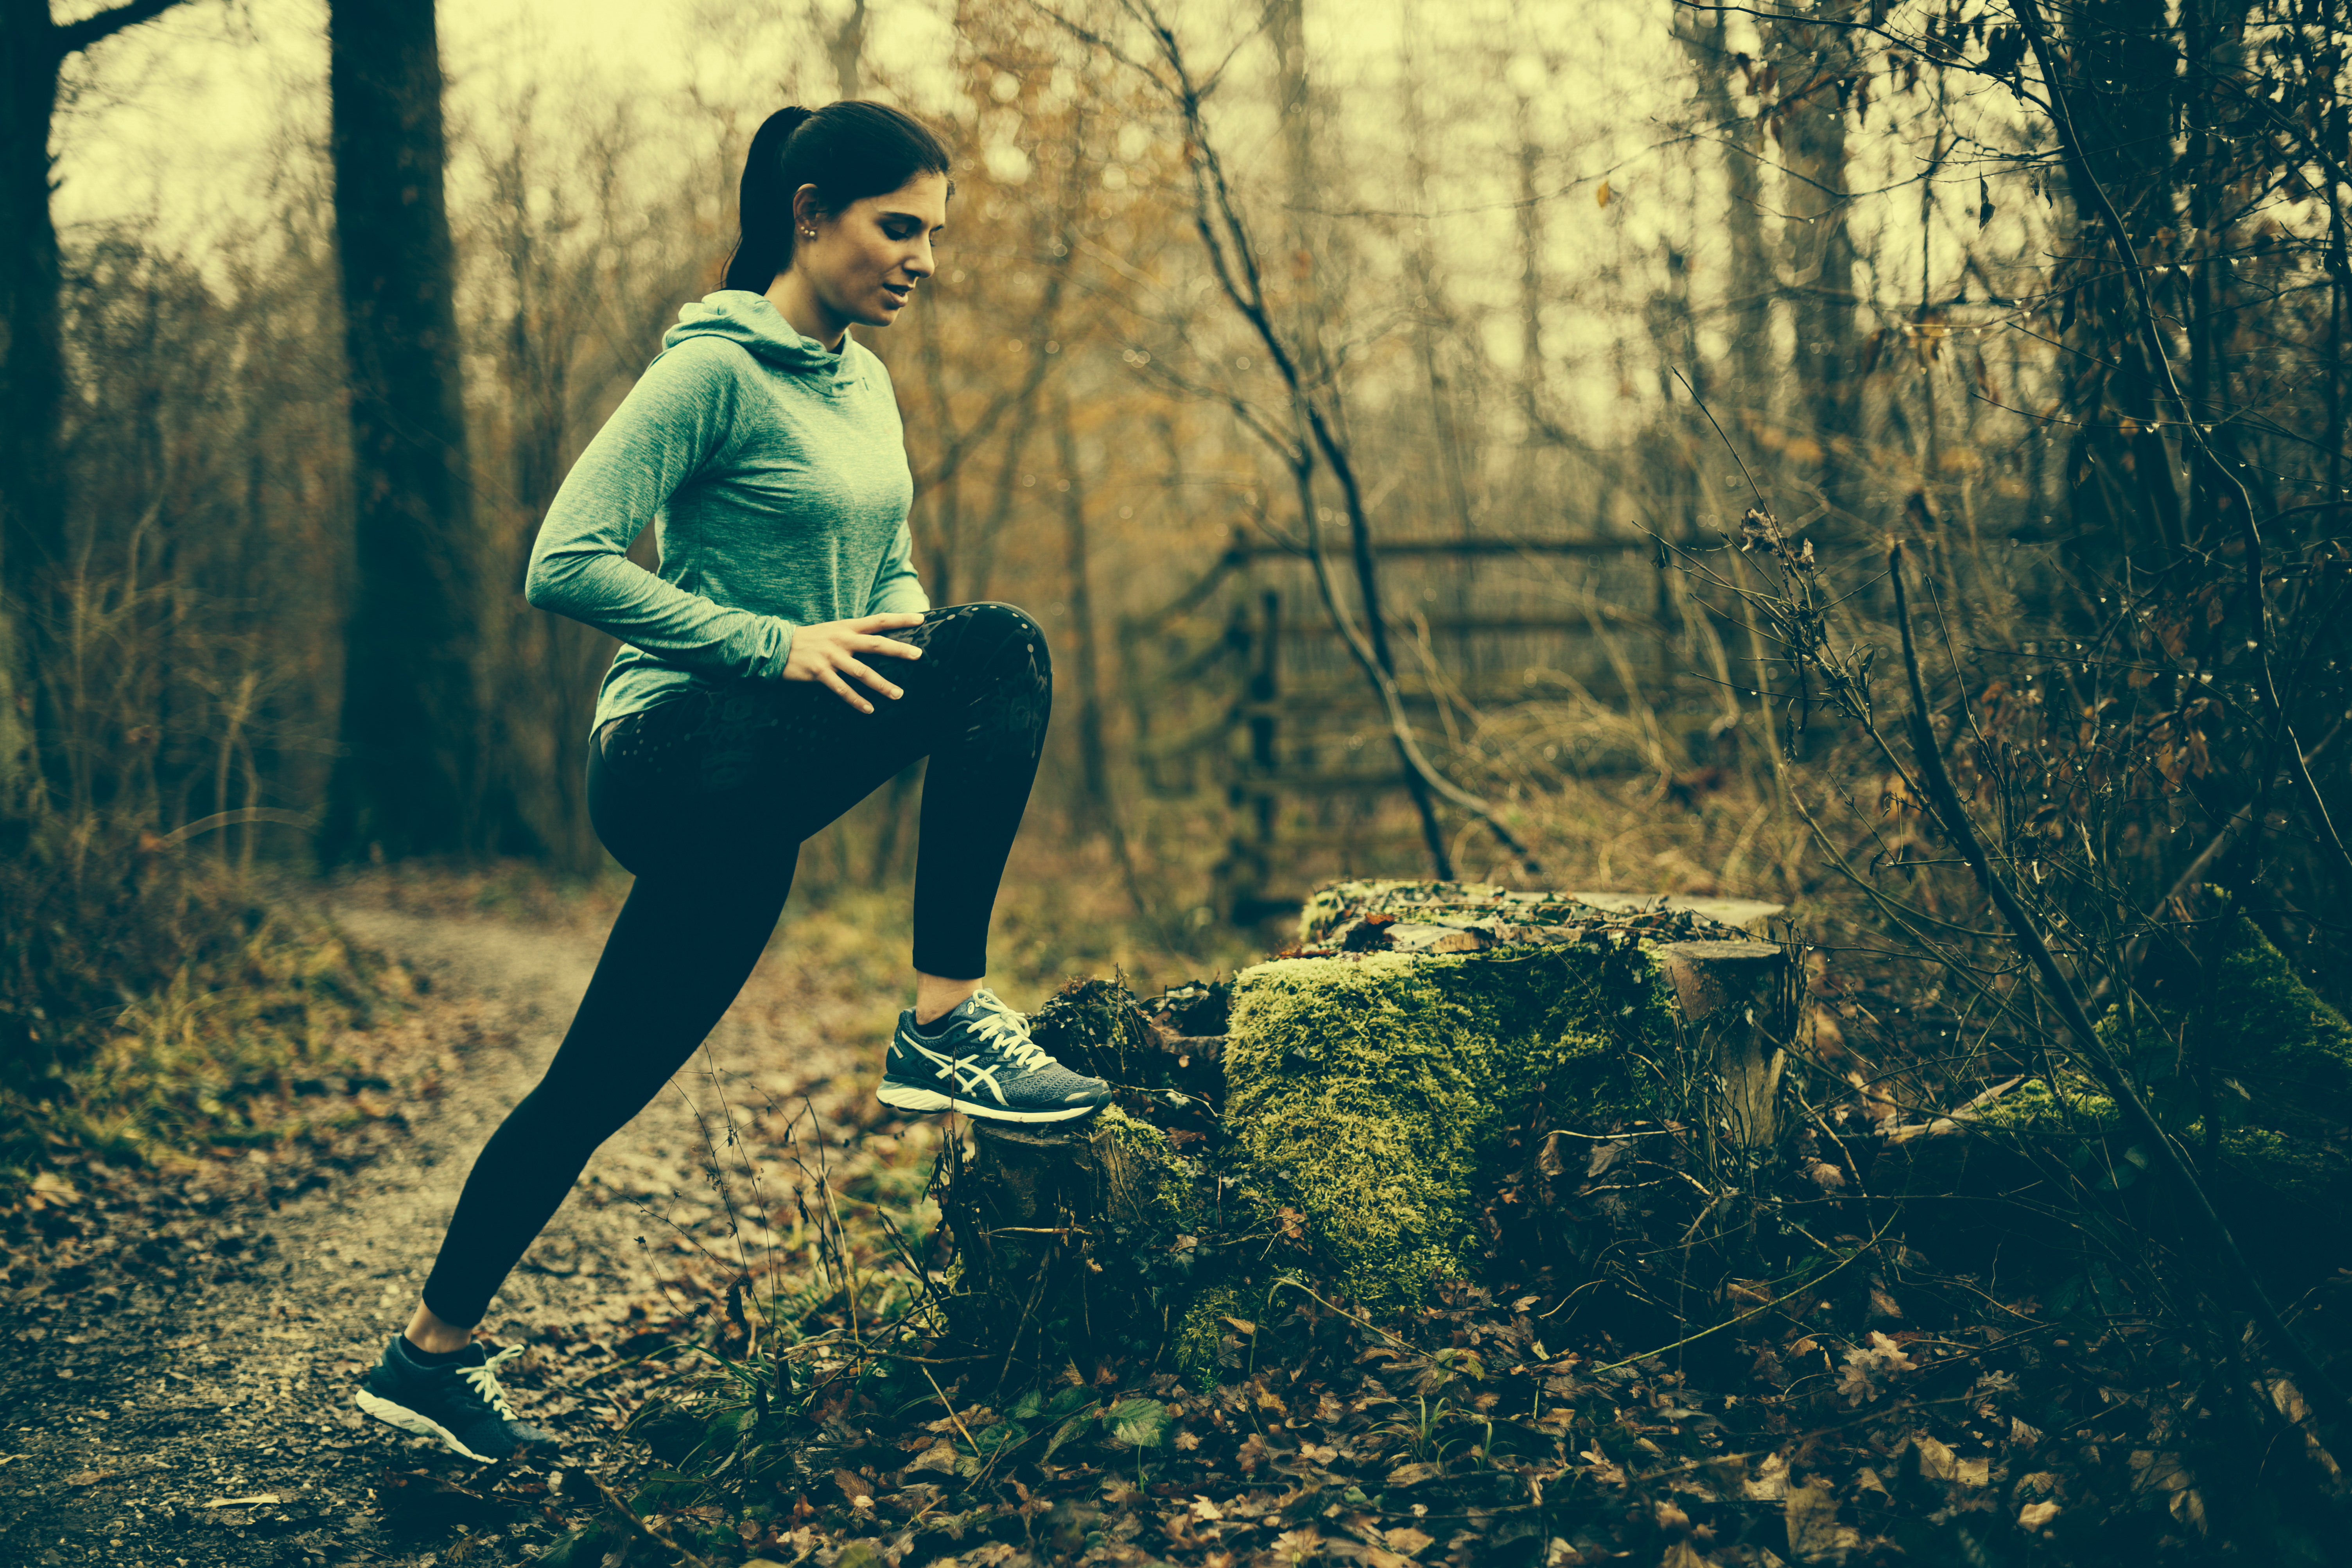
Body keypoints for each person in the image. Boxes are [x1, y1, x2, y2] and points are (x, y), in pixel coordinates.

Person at [353, 101, 1111, 1463]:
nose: (924, 258)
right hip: (668, 754)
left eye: (937, 233)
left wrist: (897, 626)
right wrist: (775, 643)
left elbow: (885, 564)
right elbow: (564, 558)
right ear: (810, 213)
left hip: (755, 795)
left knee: (593, 1087)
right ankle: (946, 1015)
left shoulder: (863, 382)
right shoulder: (710, 373)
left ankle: (429, 1354)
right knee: (1007, 649)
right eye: (900, 227)